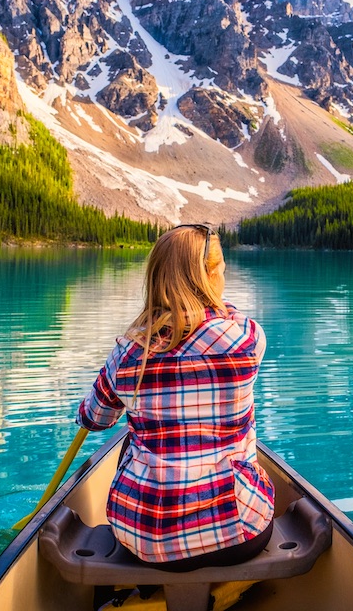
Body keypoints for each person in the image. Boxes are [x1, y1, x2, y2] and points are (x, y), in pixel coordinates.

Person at [76, 222, 274, 571]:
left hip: (145, 538)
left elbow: (94, 420)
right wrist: (210, 301)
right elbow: (226, 314)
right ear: (210, 277)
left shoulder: (128, 353)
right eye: (221, 272)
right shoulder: (246, 341)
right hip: (236, 532)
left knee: (131, 438)